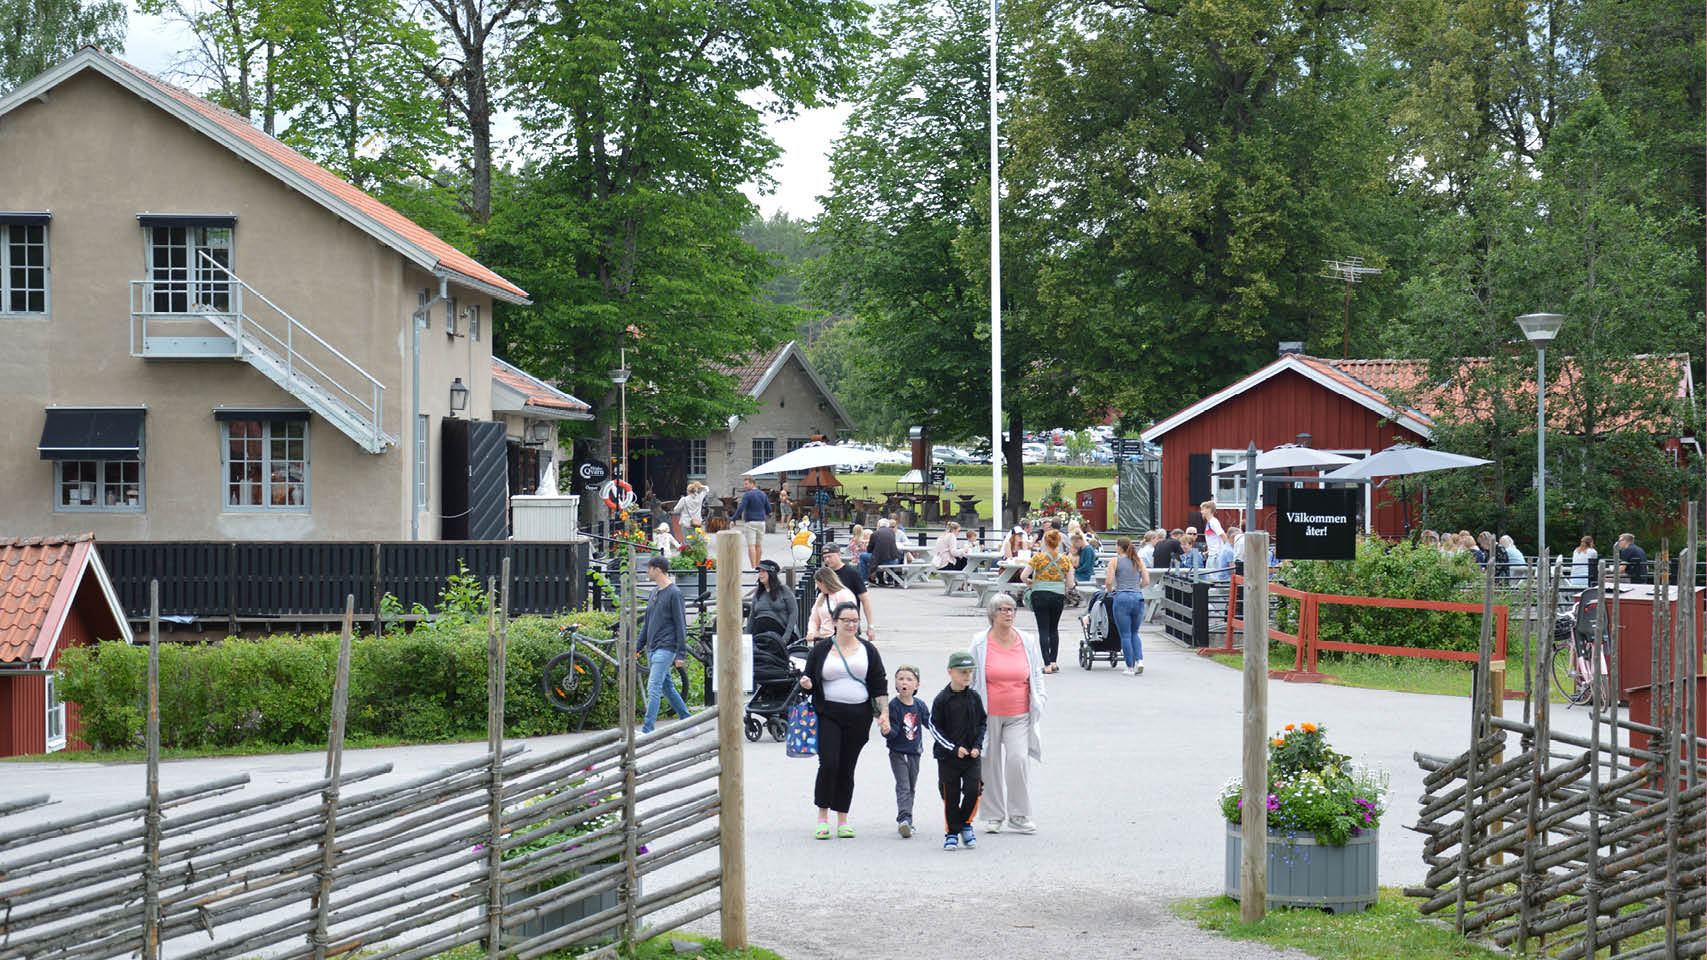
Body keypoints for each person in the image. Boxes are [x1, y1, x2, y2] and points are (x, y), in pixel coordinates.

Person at [799, 601, 890, 838]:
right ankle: (822, 817)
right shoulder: (821, 649)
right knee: (829, 763)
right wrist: (807, 685)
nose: (851, 624)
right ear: (835, 622)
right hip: (828, 713)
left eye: (855, 620)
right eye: (846, 620)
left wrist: (884, 714)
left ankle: (842, 818)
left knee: (847, 767)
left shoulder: (868, 650)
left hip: (858, 716)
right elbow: (809, 680)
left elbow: (879, 683)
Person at [971, 593, 1046, 835]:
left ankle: (1019, 814)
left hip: (1019, 712)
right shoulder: (979, 642)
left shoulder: (1026, 640)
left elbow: (1036, 672)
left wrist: (1040, 699)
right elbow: (970, 676)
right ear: (992, 614)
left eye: (1012, 609)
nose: (1009, 613)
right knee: (989, 763)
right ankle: (993, 815)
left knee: (1018, 760)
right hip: (988, 712)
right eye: (1003, 609)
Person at [930, 651, 986, 851]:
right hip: (948, 757)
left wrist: (977, 746)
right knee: (950, 794)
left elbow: (982, 723)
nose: (967, 676)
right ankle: (952, 832)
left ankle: (965, 823)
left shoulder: (974, 698)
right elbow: (934, 728)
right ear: (950, 672)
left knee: (974, 789)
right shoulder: (942, 699)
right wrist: (954, 749)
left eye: (970, 672)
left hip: (972, 756)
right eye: (962, 672)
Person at [638, 555, 692, 735]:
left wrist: (681, 653)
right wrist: (637, 647)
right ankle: (688, 722)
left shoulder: (674, 593)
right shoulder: (654, 592)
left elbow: (680, 624)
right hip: (652, 648)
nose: (647, 572)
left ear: (658, 570)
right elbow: (647, 623)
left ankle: (648, 730)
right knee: (667, 687)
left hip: (666, 648)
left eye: (649, 568)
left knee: (653, 687)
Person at [885, 664, 931, 838]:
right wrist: (886, 730)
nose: (904, 682)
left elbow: (930, 724)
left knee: (911, 786)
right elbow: (893, 732)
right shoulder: (894, 706)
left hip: (914, 752)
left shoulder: (919, 705)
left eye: (909, 679)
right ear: (896, 683)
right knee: (903, 785)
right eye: (901, 678)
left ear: (917, 685)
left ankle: (908, 821)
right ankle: (904, 818)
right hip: (898, 752)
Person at [1022, 529, 1074, 673]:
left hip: (1040, 594)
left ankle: (1046, 665)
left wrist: (1030, 582)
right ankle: (1053, 661)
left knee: (1043, 629)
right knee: (1054, 629)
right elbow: (1070, 584)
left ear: (1044, 542)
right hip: (1057, 595)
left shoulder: (1038, 558)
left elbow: (1023, 575)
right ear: (1058, 542)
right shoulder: (1065, 559)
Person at [1104, 536, 1151, 674]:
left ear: (1119, 547)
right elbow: (1147, 581)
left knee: (1125, 634)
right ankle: (1140, 660)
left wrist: (1110, 591)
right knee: (1135, 632)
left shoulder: (1115, 561)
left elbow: (1108, 581)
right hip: (1137, 597)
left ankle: (1129, 666)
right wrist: (1137, 587)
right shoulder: (1138, 560)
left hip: (1122, 597)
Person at [820, 544, 877, 639]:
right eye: (825, 557)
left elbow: (865, 600)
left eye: (830, 556)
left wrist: (870, 626)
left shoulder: (852, 573)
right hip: (828, 624)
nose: (827, 560)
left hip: (849, 622)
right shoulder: (825, 574)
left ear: (839, 554)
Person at [749, 558, 797, 643]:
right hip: (758, 634)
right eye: (759, 571)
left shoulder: (784, 590)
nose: (760, 574)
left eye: (763, 571)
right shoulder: (758, 593)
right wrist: (746, 637)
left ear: (771, 573)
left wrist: (786, 636)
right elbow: (752, 616)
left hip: (778, 634)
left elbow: (793, 612)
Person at [804, 565, 855, 641]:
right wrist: (812, 632)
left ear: (824, 583)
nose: (818, 587)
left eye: (818, 584)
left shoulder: (844, 595)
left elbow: (850, 618)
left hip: (839, 639)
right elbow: (814, 618)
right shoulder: (821, 597)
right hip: (823, 639)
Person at [734, 477, 770, 569]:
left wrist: (733, 519)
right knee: (759, 545)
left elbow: (741, 508)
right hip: (761, 522)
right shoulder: (763, 494)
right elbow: (768, 509)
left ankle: (753, 567)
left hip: (750, 522)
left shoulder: (748, 495)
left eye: (746, 484)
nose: (745, 486)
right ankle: (758, 566)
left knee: (751, 545)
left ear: (752, 483)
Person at [869, 518, 904, 585]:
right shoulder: (892, 533)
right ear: (888, 525)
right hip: (891, 559)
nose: (892, 528)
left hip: (880, 559)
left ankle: (866, 579)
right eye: (891, 526)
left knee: (866, 557)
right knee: (895, 556)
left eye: (893, 526)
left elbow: (869, 549)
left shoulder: (875, 534)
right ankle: (892, 580)